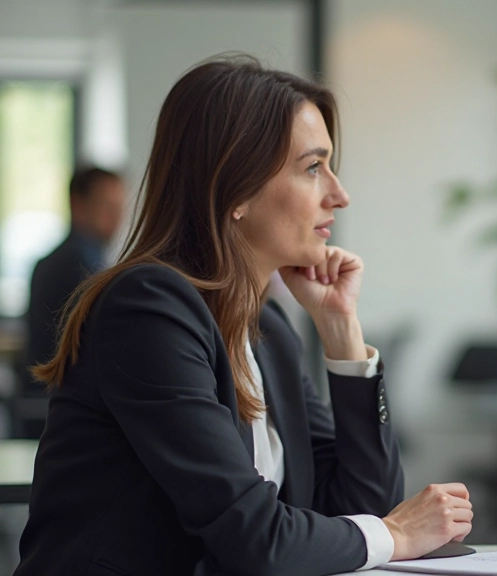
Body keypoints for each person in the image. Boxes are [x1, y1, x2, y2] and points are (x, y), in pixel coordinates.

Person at [15, 57, 472, 575]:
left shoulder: (268, 330)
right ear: (235, 187)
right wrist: (398, 533)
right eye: (313, 168)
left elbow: (359, 509)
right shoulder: (147, 310)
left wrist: (340, 328)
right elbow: (255, 538)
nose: (339, 195)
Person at [22, 167, 125, 399]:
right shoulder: (80, 263)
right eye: (107, 206)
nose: (116, 217)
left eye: (119, 207)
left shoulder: (58, 259)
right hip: (58, 401)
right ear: (77, 204)